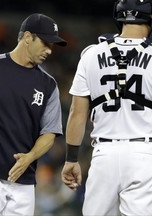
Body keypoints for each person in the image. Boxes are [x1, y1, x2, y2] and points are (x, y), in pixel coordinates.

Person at [0, 13, 67, 215]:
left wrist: (30, 157)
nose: (49, 50)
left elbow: (50, 133)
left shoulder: (48, 84)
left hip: (24, 177)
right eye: (45, 43)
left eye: (52, 46)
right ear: (28, 37)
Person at [61, 0, 152, 215]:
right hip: (144, 153)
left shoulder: (91, 54)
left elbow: (77, 113)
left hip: (104, 154)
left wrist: (71, 159)